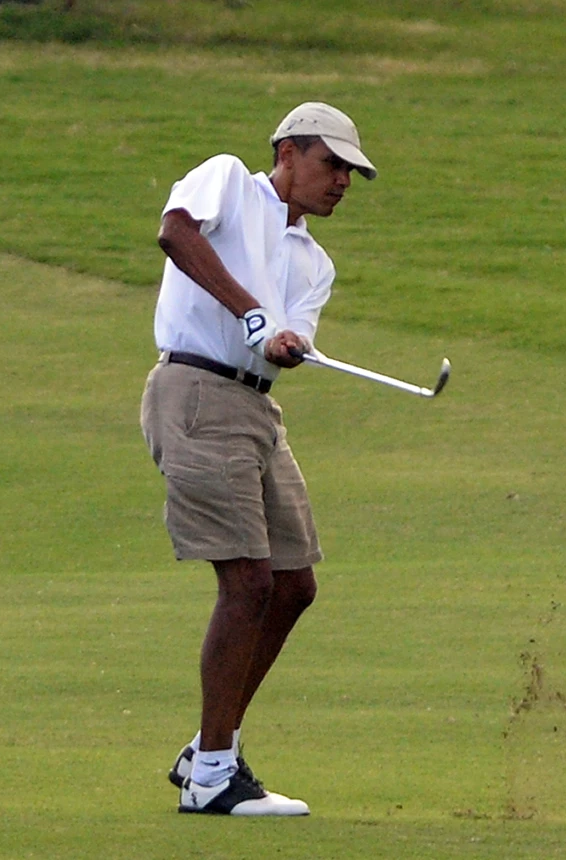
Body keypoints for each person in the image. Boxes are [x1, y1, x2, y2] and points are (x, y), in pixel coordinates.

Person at [139, 102, 377, 816]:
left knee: (293, 584)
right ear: (288, 151)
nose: (341, 181)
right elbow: (176, 233)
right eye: (331, 164)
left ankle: (210, 747)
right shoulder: (227, 182)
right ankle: (214, 774)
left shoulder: (314, 261)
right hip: (195, 391)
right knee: (245, 581)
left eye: (350, 172)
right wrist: (251, 314)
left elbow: (287, 335)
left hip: (256, 409)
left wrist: (284, 343)